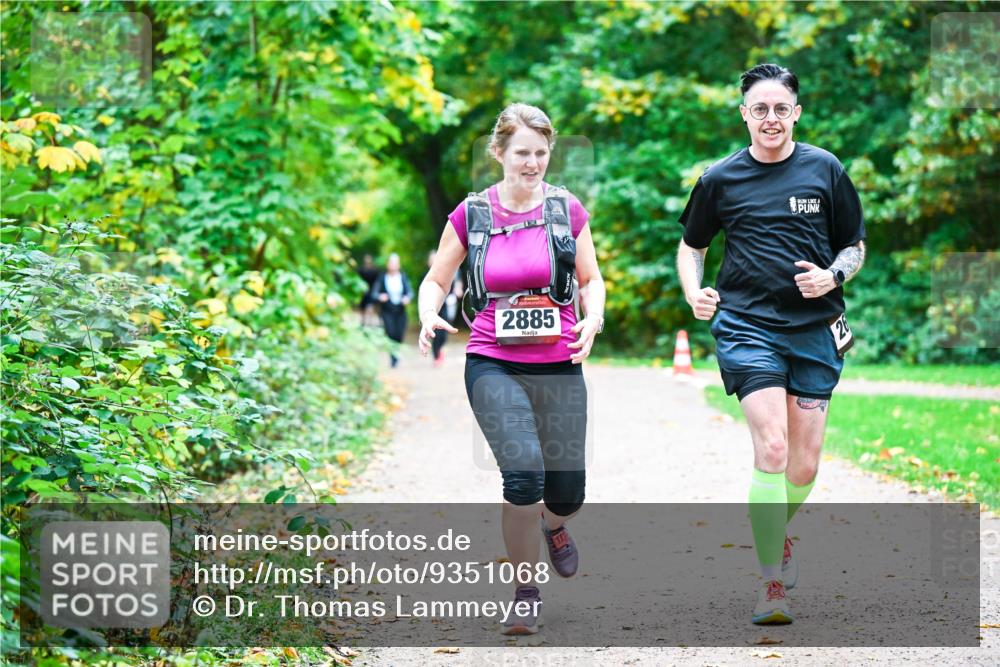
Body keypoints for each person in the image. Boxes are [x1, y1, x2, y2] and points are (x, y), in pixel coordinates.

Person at [676, 64, 866, 625]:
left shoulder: (825, 169)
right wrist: (696, 293)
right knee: (773, 449)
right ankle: (771, 585)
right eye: (759, 108)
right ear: (744, 114)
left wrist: (833, 275)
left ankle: (776, 531)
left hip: (814, 330)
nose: (771, 118)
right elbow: (692, 246)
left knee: (803, 468)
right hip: (746, 326)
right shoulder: (719, 179)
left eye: (780, 108)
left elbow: (853, 245)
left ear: (796, 113)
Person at [418, 103, 605, 635]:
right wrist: (429, 312)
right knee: (523, 473)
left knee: (567, 492)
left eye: (541, 154)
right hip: (492, 360)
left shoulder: (566, 209)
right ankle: (525, 591)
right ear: (498, 152)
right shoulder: (472, 214)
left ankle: (554, 525)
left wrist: (594, 317)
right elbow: (436, 279)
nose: (532, 163)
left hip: (560, 360)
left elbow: (591, 279)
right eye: (522, 153)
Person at [371, 253, 414, 368]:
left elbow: (410, 292)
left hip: (400, 310)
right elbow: (374, 293)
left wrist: (407, 298)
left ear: (399, 265)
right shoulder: (382, 277)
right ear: (387, 264)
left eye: (395, 263)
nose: (393, 265)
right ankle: (393, 357)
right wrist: (380, 297)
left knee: (399, 334)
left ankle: (396, 351)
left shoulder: (403, 277)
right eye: (391, 263)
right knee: (390, 333)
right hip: (387, 311)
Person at [425, 249, 464, 368]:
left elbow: (457, 281)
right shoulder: (427, 275)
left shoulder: (447, 270)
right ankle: (437, 355)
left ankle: (440, 350)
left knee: (444, 332)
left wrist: (458, 290)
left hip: (447, 304)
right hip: (433, 307)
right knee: (436, 333)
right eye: (431, 259)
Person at [356, 254, 380, 327]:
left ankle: (369, 322)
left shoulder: (374, 270)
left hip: (371, 291)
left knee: (370, 307)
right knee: (363, 308)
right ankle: (363, 322)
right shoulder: (361, 270)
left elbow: (377, 281)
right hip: (362, 291)